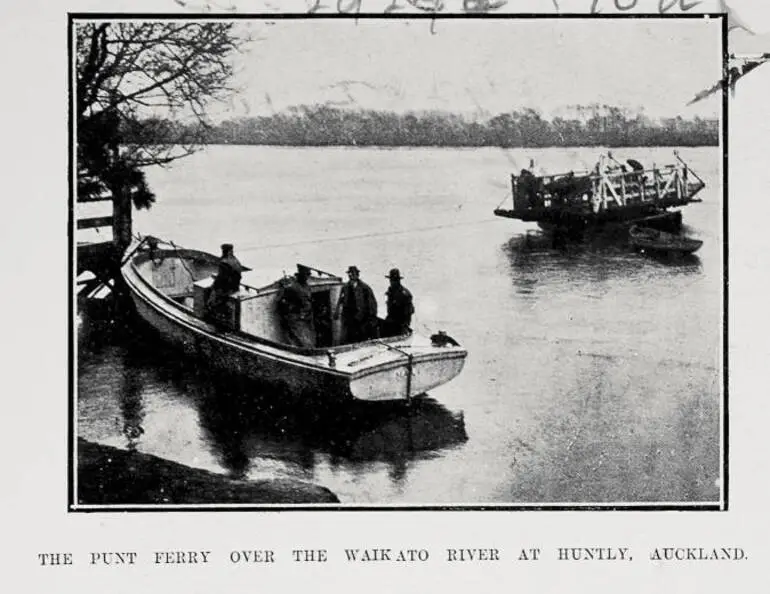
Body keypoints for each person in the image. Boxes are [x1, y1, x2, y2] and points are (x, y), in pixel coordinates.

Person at [334, 265, 378, 343]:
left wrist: (371, 318)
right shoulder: (345, 287)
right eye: (349, 273)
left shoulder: (365, 288)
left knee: (361, 338)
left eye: (352, 273)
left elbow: (372, 304)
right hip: (349, 318)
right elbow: (341, 300)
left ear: (357, 275)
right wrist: (337, 312)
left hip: (361, 318)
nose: (350, 275)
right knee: (349, 338)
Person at [277, 265, 316, 348]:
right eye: (306, 274)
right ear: (300, 275)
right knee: (303, 342)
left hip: (308, 318)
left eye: (309, 274)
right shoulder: (292, 287)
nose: (308, 277)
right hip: (297, 318)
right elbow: (280, 300)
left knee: (311, 339)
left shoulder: (307, 286)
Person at [206, 243, 245, 326]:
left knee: (209, 295)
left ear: (224, 251)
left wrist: (213, 287)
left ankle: (213, 319)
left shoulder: (224, 262)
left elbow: (221, 280)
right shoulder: (235, 260)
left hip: (227, 290)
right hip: (235, 287)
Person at [384, 268, 414, 336]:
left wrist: (405, 327)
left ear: (398, 280)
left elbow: (408, 313)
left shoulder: (404, 294)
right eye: (391, 280)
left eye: (394, 280)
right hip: (390, 323)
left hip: (400, 325)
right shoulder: (390, 292)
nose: (392, 282)